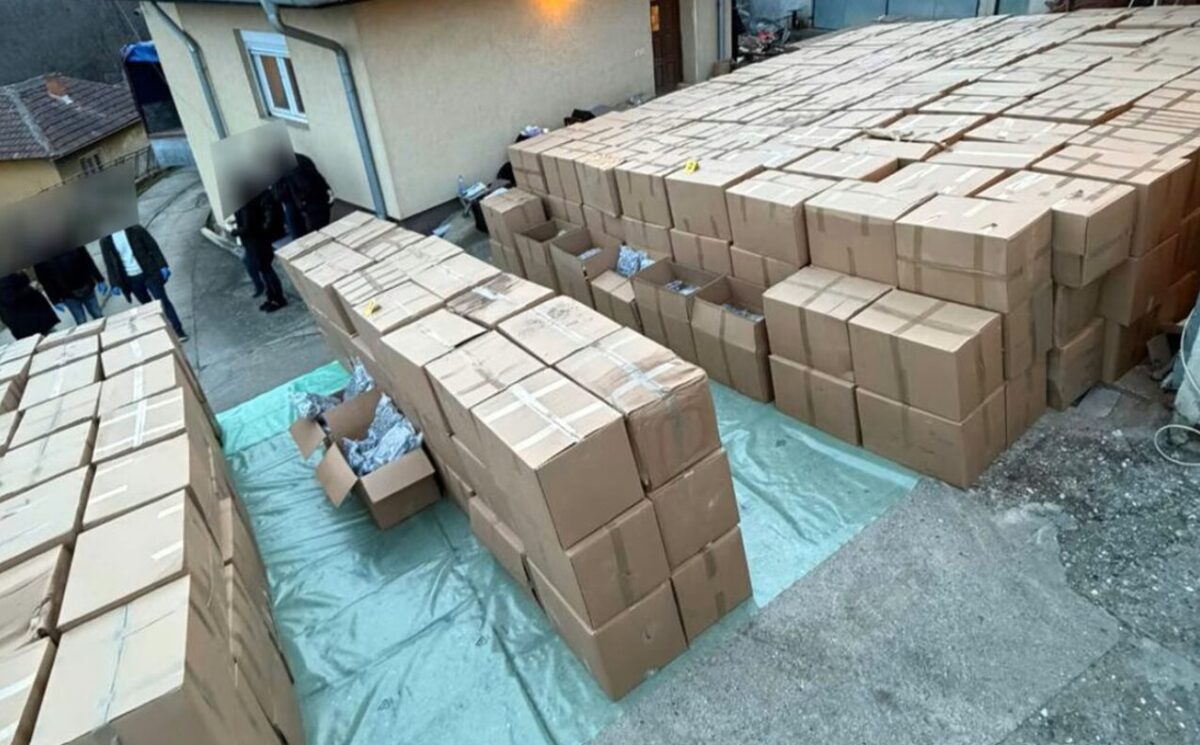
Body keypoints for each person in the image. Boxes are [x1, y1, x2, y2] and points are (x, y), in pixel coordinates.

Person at [99, 225, 188, 341]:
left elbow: (152, 246)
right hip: (131, 279)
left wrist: (162, 265)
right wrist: (114, 283)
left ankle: (178, 330)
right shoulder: (105, 240)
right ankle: (163, 333)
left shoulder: (135, 229)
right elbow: (109, 264)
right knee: (148, 307)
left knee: (162, 301)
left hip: (149, 272)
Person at [233, 189, 288, 312]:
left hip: (257, 240)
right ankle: (272, 297)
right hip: (256, 240)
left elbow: (248, 226)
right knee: (264, 269)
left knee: (266, 269)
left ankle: (278, 298)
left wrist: (235, 232)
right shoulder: (246, 200)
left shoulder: (246, 203)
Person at [34, 247, 108, 325]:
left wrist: (99, 279)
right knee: (81, 321)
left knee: (97, 314)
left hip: (86, 286)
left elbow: (88, 261)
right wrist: (54, 300)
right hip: (67, 294)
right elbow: (45, 281)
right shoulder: (41, 256)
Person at [274, 153, 332, 238]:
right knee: (321, 234)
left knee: (310, 237)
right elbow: (318, 178)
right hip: (318, 202)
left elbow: (278, 195)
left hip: (305, 206)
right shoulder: (302, 158)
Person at [0, 272, 59, 339]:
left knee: (52, 337)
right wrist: (30, 288)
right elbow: (9, 298)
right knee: (51, 339)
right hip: (28, 321)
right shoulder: (3, 276)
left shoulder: (8, 272)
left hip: (33, 319)